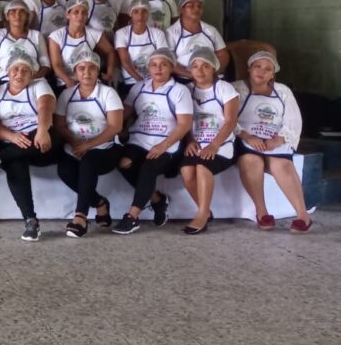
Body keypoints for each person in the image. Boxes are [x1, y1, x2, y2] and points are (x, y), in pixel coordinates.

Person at [0, 52, 59, 242]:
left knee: (39, 138)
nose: (19, 74)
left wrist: (42, 130)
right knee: (16, 163)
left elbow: (45, 109)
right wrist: (11, 136)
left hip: (40, 142)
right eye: (15, 69)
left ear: (32, 74)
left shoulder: (40, 85)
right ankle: (30, 220)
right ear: (7, 72)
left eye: (25, 70)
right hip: (11, 142)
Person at [113, 48, 193, 235]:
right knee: (123, 163)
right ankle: (157, 199)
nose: (158, 69)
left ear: (172, 67)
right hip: (140, 139)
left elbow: (184, 125)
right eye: (154, 65)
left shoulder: (180, 91)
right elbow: (124, 113)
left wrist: (163, 146)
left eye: (163, 65)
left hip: (168, 142)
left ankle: (132, 217)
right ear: (148, 68)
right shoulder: (138, 87)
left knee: (147, 168)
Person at [234, 50, 312, 233]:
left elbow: (294, 119)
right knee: (251, 161)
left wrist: (280, 138)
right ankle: (262, 212)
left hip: (274, 139)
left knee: (281, 165)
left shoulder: (283, 91)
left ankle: (303, 215)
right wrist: (247, 136)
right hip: (246, 138)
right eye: (257, 66)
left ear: (272, 74)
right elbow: (227, 117)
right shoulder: (236, 89)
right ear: (249, 69)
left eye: (267, 69)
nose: (261, 71)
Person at [54, 51, 123, 238]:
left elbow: (115, 126)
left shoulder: (108, 93)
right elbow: (59, 125)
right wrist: (75, 142)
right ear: (75, 72)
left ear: (98, 71)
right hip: (74, 146)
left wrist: (88, 145)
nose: (86, 72)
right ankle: (100, 203)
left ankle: (80, 217)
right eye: (82, 68)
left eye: (92, 68)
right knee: (65, 171)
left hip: (105, 148)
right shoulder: (66, 95)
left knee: (88, 162)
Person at [179, 48, 239, 235]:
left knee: (203, 166)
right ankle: (206, 210)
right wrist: (189, 140)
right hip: (196, 142)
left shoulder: (225, 88)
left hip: (221, 144)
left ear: (214, 68)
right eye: (195, 66)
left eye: (205, 66)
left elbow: (230, 122)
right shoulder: (186, 90)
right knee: (186, 171)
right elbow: (184, 121)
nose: (200, 70)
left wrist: (214, 145)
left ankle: (202, 214)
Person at [47, 0, 116, 90]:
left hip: (88, 79)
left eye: (84, 13)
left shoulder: (93, 33)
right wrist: (69, 81)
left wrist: (110, 73)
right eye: (76, 12)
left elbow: (110, 51)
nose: (80, 16)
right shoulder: (56, 36)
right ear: (67, 15)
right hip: (65, 82)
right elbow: (56, 65)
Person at [114, 0, 170, 98]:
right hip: (131, 81)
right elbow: (125, 61)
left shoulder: (157, 33)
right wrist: (141, 81)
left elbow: (163, 57)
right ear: (130, 14)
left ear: (148, 14)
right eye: (136, 12)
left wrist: (153, 82)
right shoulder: (122, 33)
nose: (140, 16)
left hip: (154, 79)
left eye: (144, 11)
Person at [0, 0, 51, 83]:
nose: (17, 15)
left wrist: (34, 76)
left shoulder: (36, 35)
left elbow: (45, 64)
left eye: (22, 12)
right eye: (13, 11)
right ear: (7, 16)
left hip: (34, 81)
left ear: (27, 16)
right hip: (5, 80)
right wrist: (7, 75)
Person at [166, 0, 229, 81]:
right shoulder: (171, 32)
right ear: (181, 9)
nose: (196, 9)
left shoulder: (211, 30)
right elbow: (169, 61)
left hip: (211, 78)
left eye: (199, 6)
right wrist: (192, 75)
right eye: (191, 6)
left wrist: (214, 73)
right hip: (184, 79)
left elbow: (223, 55)